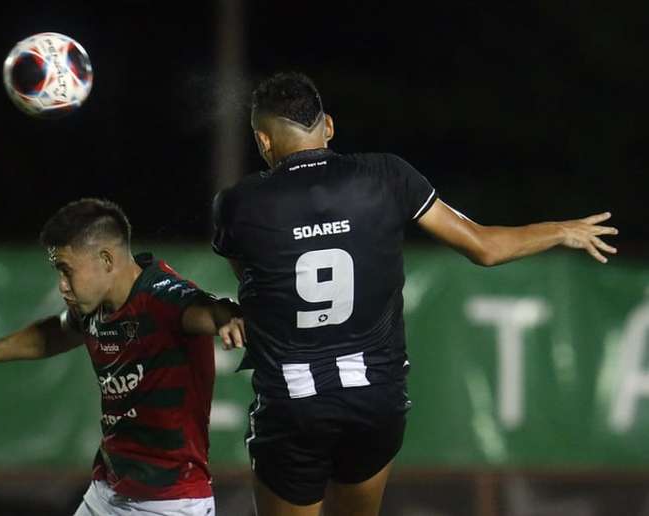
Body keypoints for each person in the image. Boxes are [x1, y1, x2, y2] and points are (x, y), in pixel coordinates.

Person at [211, 72, 619, 516]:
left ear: (264, 142)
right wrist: (562, 230)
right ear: (327, 125)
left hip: (293, 403)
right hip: (375, 399)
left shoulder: (238, 203)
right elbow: (483, 246)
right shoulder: (387, 174)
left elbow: (250, 280)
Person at [0, 198, 245, 516]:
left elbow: (204, 309)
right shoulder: (93, 308)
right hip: (106, 495)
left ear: (106, 260)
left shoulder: (161, 298)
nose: (62, 286)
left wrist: (229, 316)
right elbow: (55, 333)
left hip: (171, 503)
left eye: (66, 271)